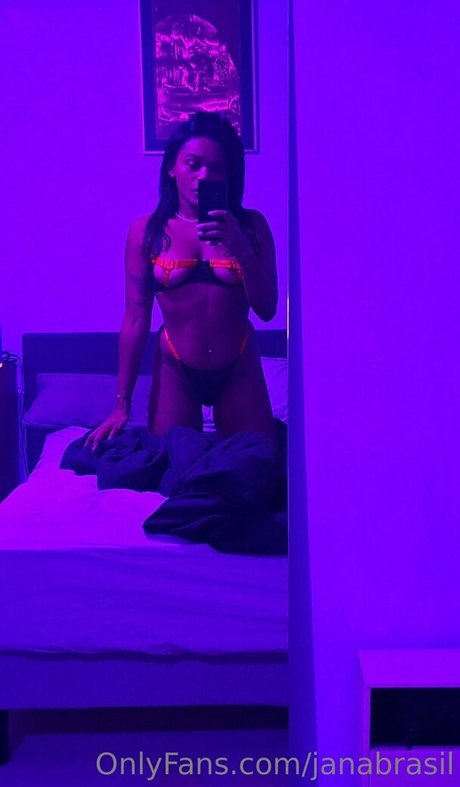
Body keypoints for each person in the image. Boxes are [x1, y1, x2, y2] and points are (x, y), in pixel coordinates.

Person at [85, 111, 278, 452]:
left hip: (238, 363)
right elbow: (135, 320)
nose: (204, 176)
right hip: (175, 365)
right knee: (173, 466)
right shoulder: (147, 232)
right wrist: (121, 404)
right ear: (172, 168)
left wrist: (240, 249)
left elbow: (267, 310)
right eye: (193, 164)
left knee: (256, 464)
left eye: (217, 168)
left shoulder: (251, 227)